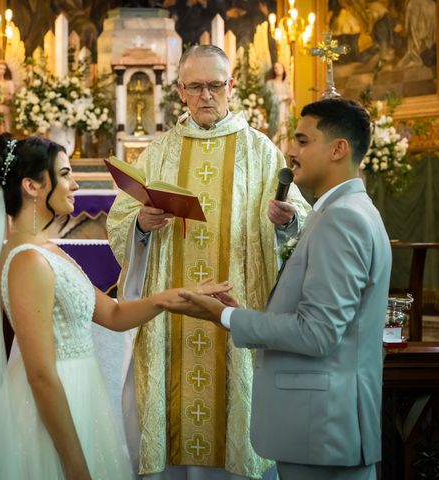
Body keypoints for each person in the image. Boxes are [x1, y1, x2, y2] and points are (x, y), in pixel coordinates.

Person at [0, 134, 230, 479]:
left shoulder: (46, 249)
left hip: (82, 396)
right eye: (66, 173)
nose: (74, 184)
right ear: (32, 185)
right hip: (49, 411)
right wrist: (74, 465)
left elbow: (114, 316)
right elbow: (40, 374)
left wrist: (174, 297)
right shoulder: (26, 260)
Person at [159, 98, 392, 480]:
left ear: (338, 149)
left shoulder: (343, 218)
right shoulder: (343, 210)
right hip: (323, 428)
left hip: (321, 429)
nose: (291, 151)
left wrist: (225, 315)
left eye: (302, 140)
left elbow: (318, 333)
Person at [107, 45, 310, 479]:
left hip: (239, 310)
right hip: (170, 322)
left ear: (230, 87)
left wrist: (284, 221)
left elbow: (299, 223)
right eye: (195, 87)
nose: (206, 95)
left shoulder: (261, 152)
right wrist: (141, 222)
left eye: (215, 85)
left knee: (235, 413)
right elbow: (121, 221)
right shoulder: (159, 152)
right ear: (180, 91)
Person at [265, 62, 293, 143]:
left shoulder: (287, 85)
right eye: (275, 68)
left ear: (283, 69)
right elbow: (269, 99)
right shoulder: (270, 83)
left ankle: (284, 153)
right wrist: (283, 97)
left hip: (285, 112)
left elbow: (291, 100)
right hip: (276, 112)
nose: (278, 69)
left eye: (280, 67)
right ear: (273, 70)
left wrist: (290, 98)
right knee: (276, 133)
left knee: (285, 131)